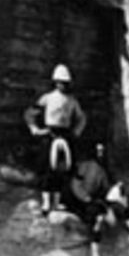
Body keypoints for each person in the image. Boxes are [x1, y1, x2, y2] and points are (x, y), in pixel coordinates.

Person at [25, 64, 87, 212]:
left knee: (63, 168)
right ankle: (46, 201)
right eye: (60, 82)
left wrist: (76, 132)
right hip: (49, 134)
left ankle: (58, 201)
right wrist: (34, 129)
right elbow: (30, 113)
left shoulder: (72, 101)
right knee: (47, 167)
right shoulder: (47, 98)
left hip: (65, 134)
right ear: (55, 82)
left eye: (65, 82)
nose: (62, 85)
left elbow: (81, 118)